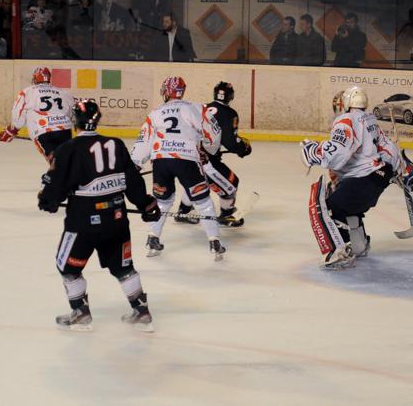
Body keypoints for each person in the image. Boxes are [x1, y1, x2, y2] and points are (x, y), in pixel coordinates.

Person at [38, 99, 161, 332]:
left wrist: (48, 200)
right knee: (124, 267)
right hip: (116, 218)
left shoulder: (68, 149)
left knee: (68, 267)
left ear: (75, 120)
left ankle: (80, 313)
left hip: (83, 221)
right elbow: (133, 182)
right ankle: (142, 311)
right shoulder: (115, 144)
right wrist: (146, 205)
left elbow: (56, 185)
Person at [300, 86, 413, 269]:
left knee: (331, 207)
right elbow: (388, 148)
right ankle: (359, 246)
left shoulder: (346, 120)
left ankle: (339, 253)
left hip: (364, 178)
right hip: (378, 179)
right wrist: (400, 169)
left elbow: (338, 153)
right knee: (350, 206)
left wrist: (313, 151)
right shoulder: (370, 120)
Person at [130, 76, 226, 260]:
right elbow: (214, 131)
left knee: (163, 201)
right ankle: (214, 242)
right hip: (187, 159)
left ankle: (153, 238)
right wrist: (210, 149)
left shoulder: (155, 113)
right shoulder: (196, 108)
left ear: (166, 91)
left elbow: (144, 140)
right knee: (203, 201)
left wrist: (135, 163)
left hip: (161, 161)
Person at [175, 82, 253, 227]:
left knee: (198, 181)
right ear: (230, 96)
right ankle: (227, 214)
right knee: (231, 183)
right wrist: (243, 148)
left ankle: (183, 211)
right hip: (205, 158)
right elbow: (230, 141)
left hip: (188, 153)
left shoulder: (203, 107)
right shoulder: (230, 113)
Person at [0, 67, 75, 162]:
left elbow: (18, 113)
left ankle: (55, 176)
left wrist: (11, 131)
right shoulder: (63, 92)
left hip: (43, 131)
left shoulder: (28, 91)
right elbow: (73, 112)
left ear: (35, 78)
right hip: (65, 130)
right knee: (66, 158)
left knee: (55, 161)